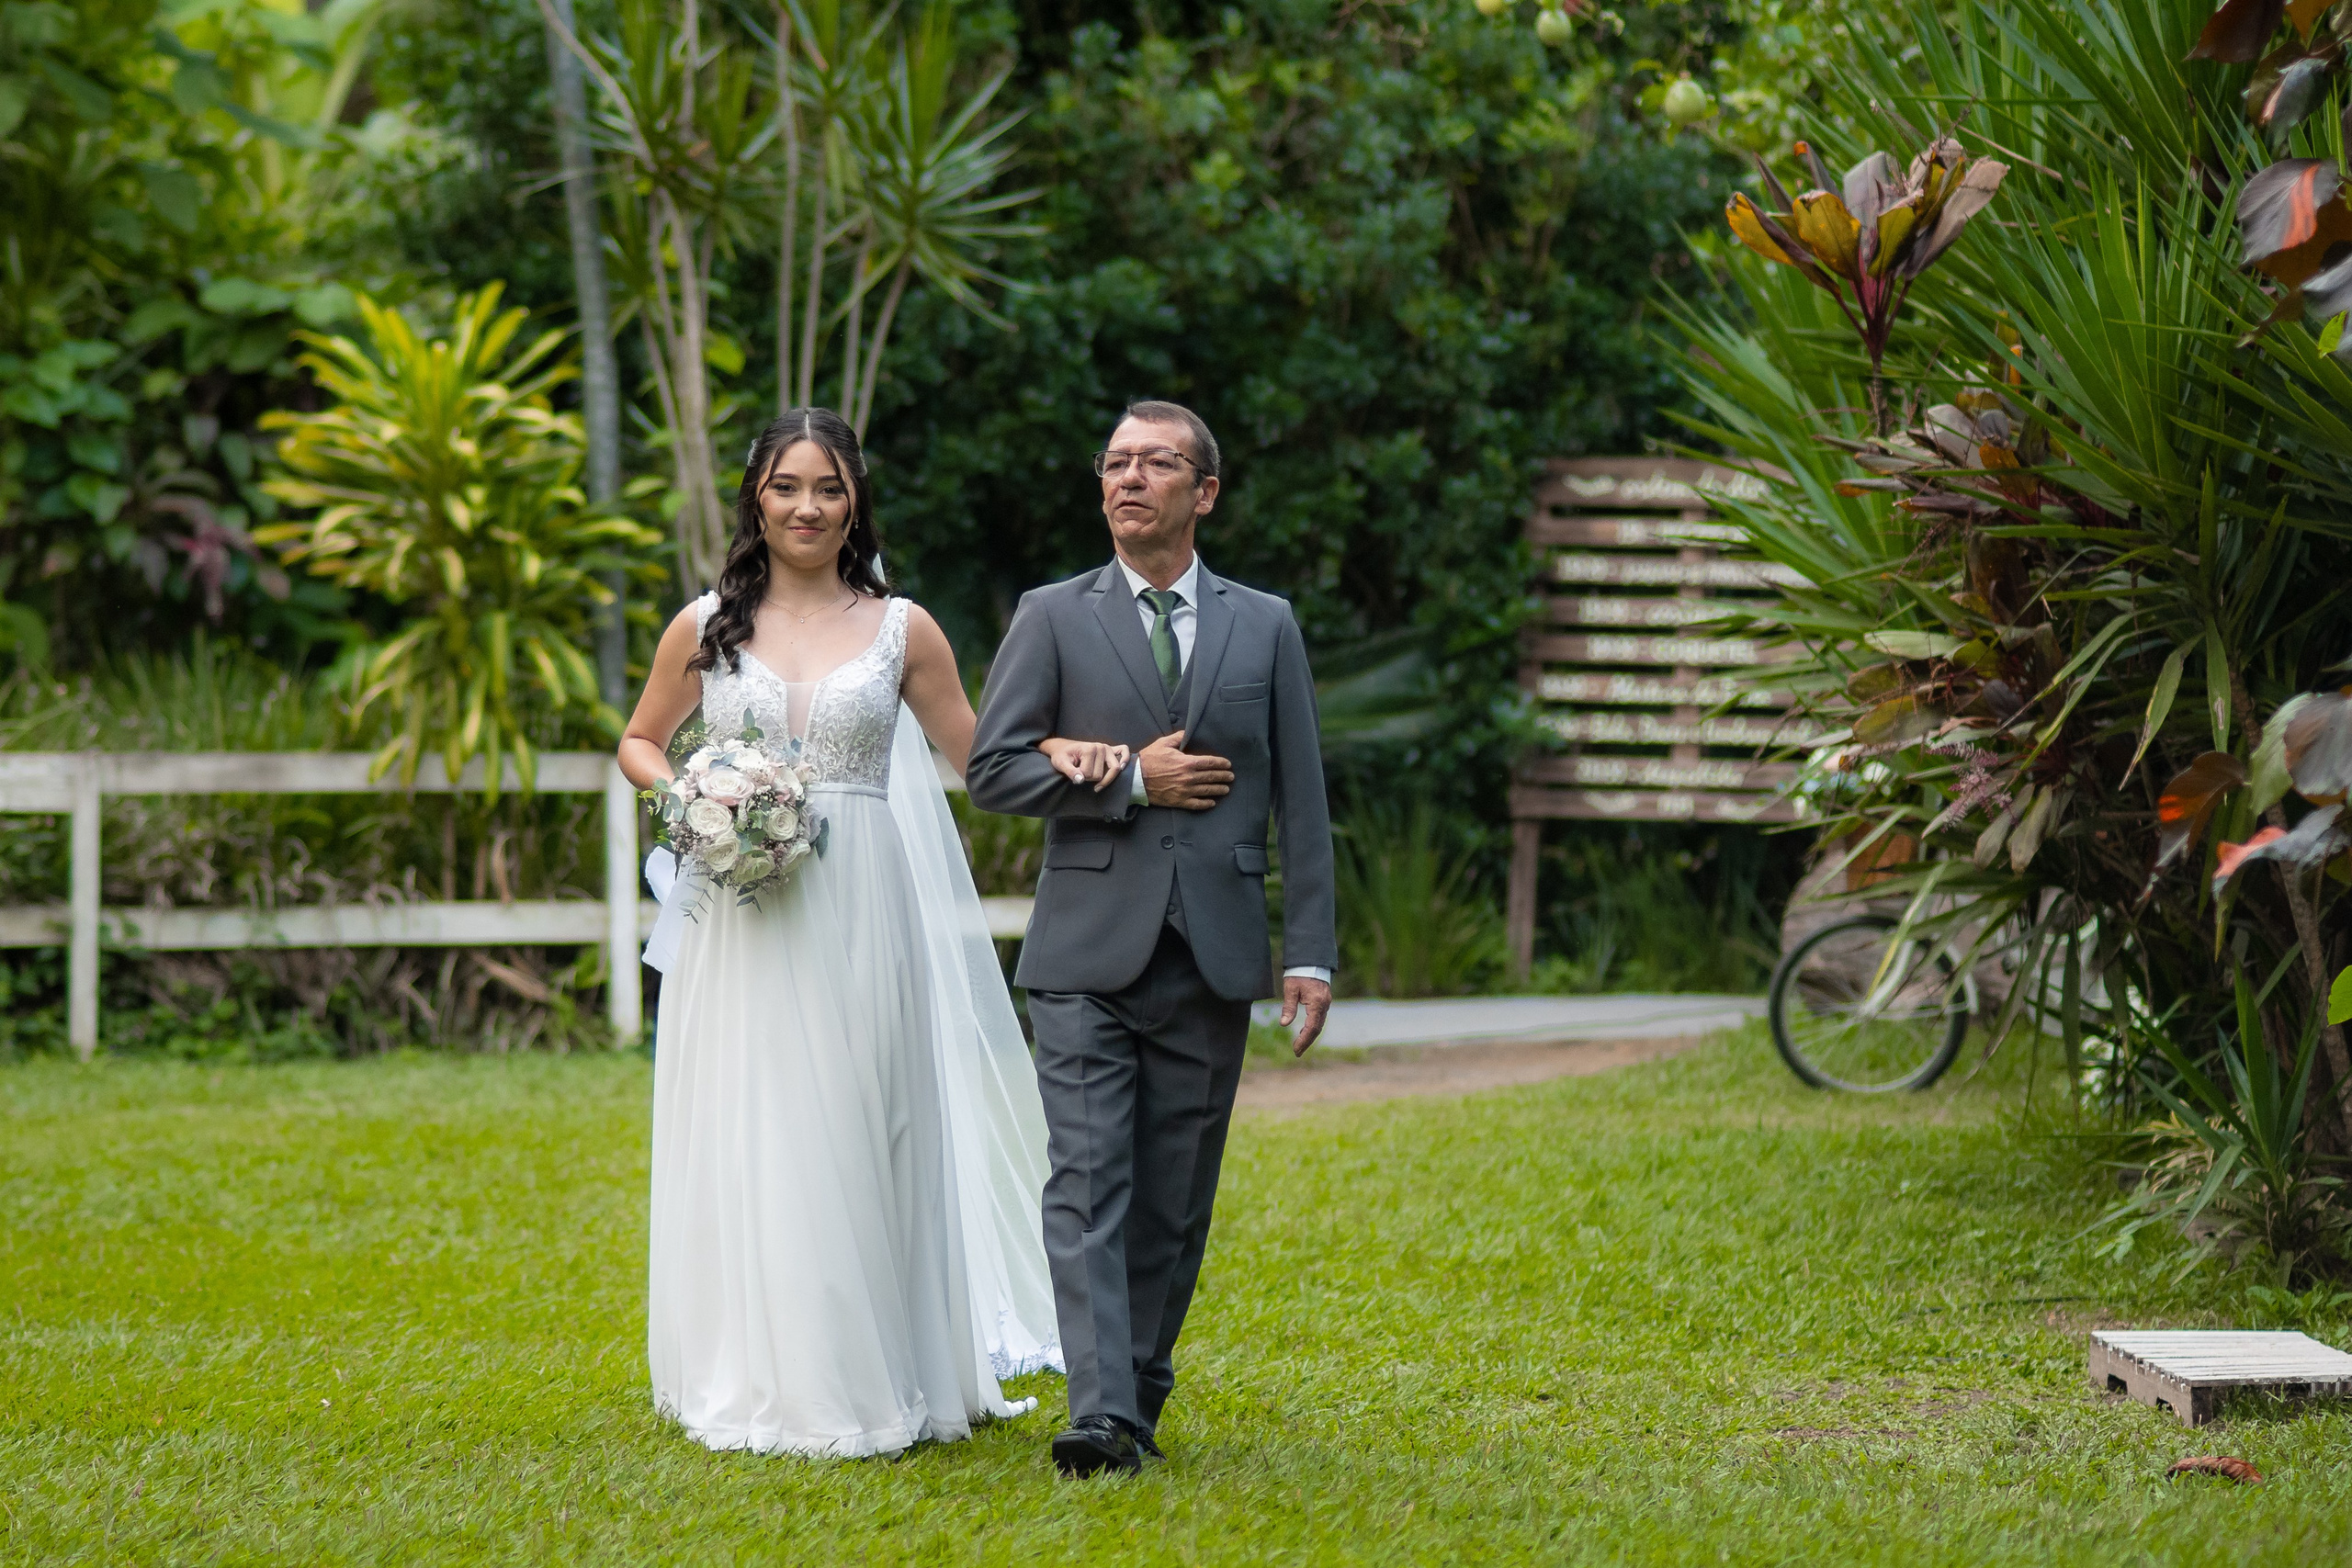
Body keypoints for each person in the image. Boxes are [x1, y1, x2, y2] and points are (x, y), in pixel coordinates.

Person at [618, 408, 1092, 1458]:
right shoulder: (705, 626)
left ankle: (883, 1364)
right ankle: (758, 1368)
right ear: (756, 497)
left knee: (862, 1117)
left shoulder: (902, 630)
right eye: (787, 486)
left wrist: (1086, 753)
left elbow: (985, 755)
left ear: (854, 503)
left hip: (866, 908)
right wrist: (695, 792)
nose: (806, 507)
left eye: (828, 488)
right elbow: (641, 742)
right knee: (758, 1121)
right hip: (742, 916)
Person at [967, 399, 1338, 1477]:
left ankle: (1139, 1390)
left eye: (1158, 463)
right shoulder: (1050, 614)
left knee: (1175, 1193)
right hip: (1084, 949)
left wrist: (1306, 951)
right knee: (1086, 1180)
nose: (1130, 479)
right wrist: (1129, 774)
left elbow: (1300, 800)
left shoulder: (1264, 623)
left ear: (1203, 492)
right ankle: (1096, 1415)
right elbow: (993, 770)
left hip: (1213, 953)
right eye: (1115, 464)